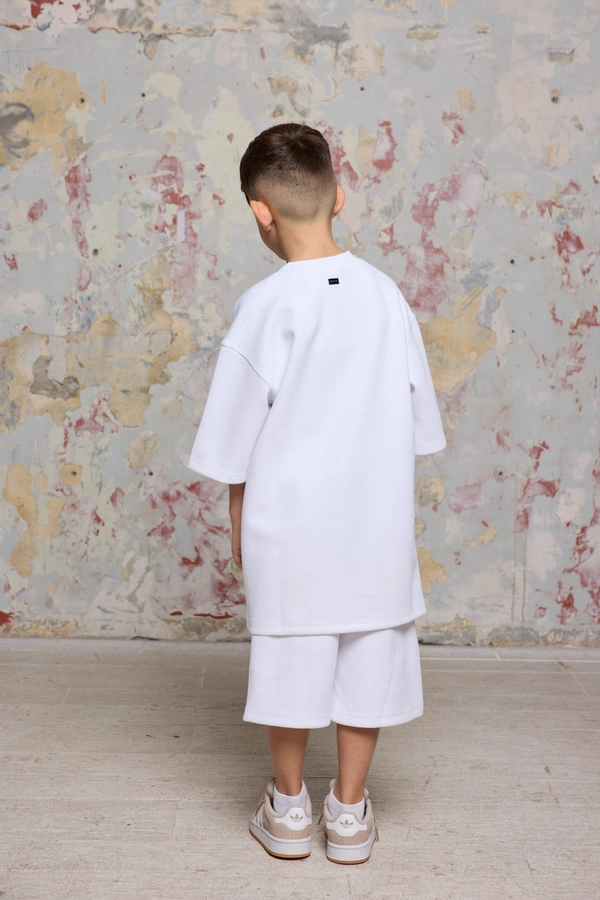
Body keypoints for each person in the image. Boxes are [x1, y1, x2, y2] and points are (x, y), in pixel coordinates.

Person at [187, 122, 446, 865]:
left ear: (260, 212)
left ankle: (290, 809)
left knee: (292, 658)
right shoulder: (387, 297)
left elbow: (234, 436)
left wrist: (239, 516)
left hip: (290, 525)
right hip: (375, 522)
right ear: (340, 195)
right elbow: (419, 425)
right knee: (370, 653)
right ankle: (351, 813)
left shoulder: (265, 305)